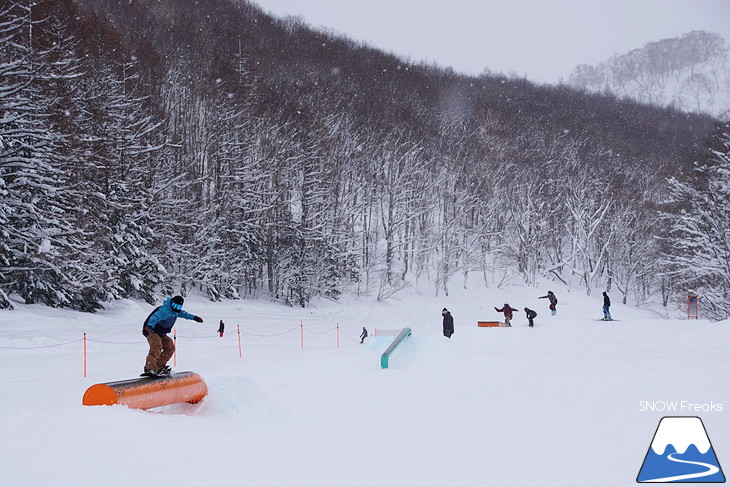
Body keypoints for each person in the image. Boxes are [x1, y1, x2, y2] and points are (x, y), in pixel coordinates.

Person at [142, 295, 203, 375]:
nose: (176, 308)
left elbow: (185, 314)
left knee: (170, 346)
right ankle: (150, 367)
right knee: (157, 345)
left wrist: (194, 317)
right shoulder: (165, 310)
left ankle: (159, 365)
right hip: (151, 330)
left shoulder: (176, 312)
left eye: (178, 307)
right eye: (174, 305)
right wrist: (149, 326)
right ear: (171, 303)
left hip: (161, 332)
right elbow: (154, 317)